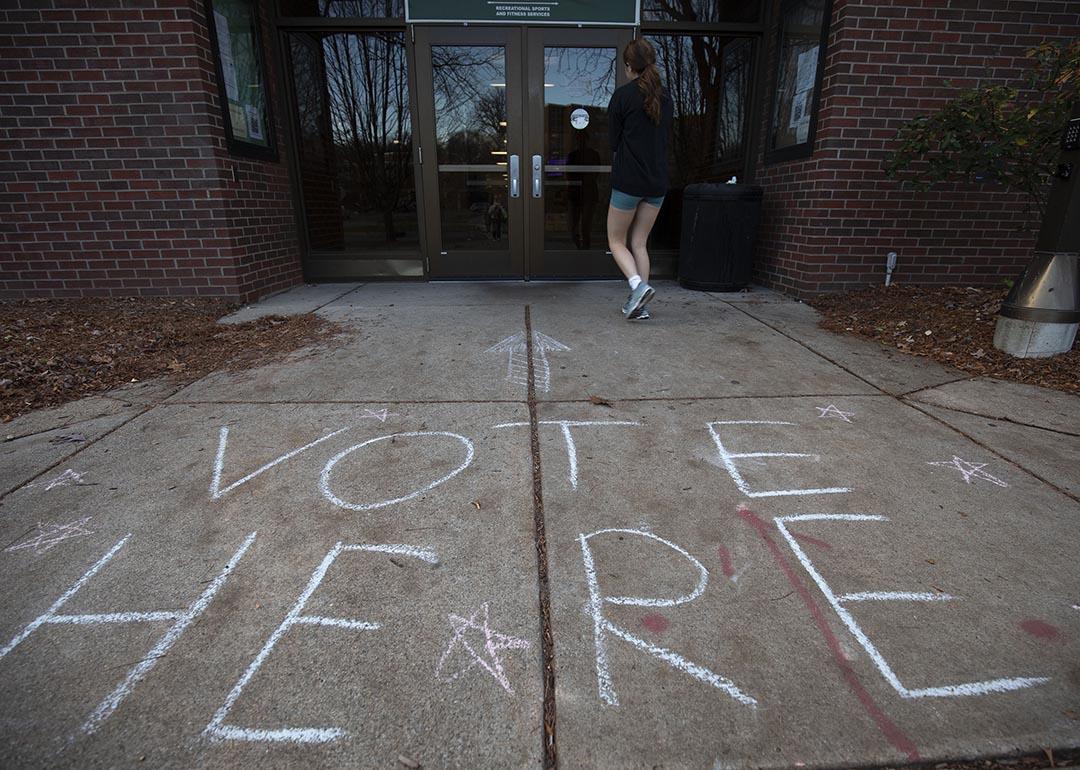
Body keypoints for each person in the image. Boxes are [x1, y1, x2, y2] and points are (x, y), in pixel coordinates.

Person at [607, 38, 673, 321]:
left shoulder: (622, 97)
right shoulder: (665, 99)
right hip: (657, 183)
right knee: (640, 243)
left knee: (616, 241)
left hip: (629, 182)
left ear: (629, 65)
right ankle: (640, 307)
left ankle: (638, 286)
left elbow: (612, 142)